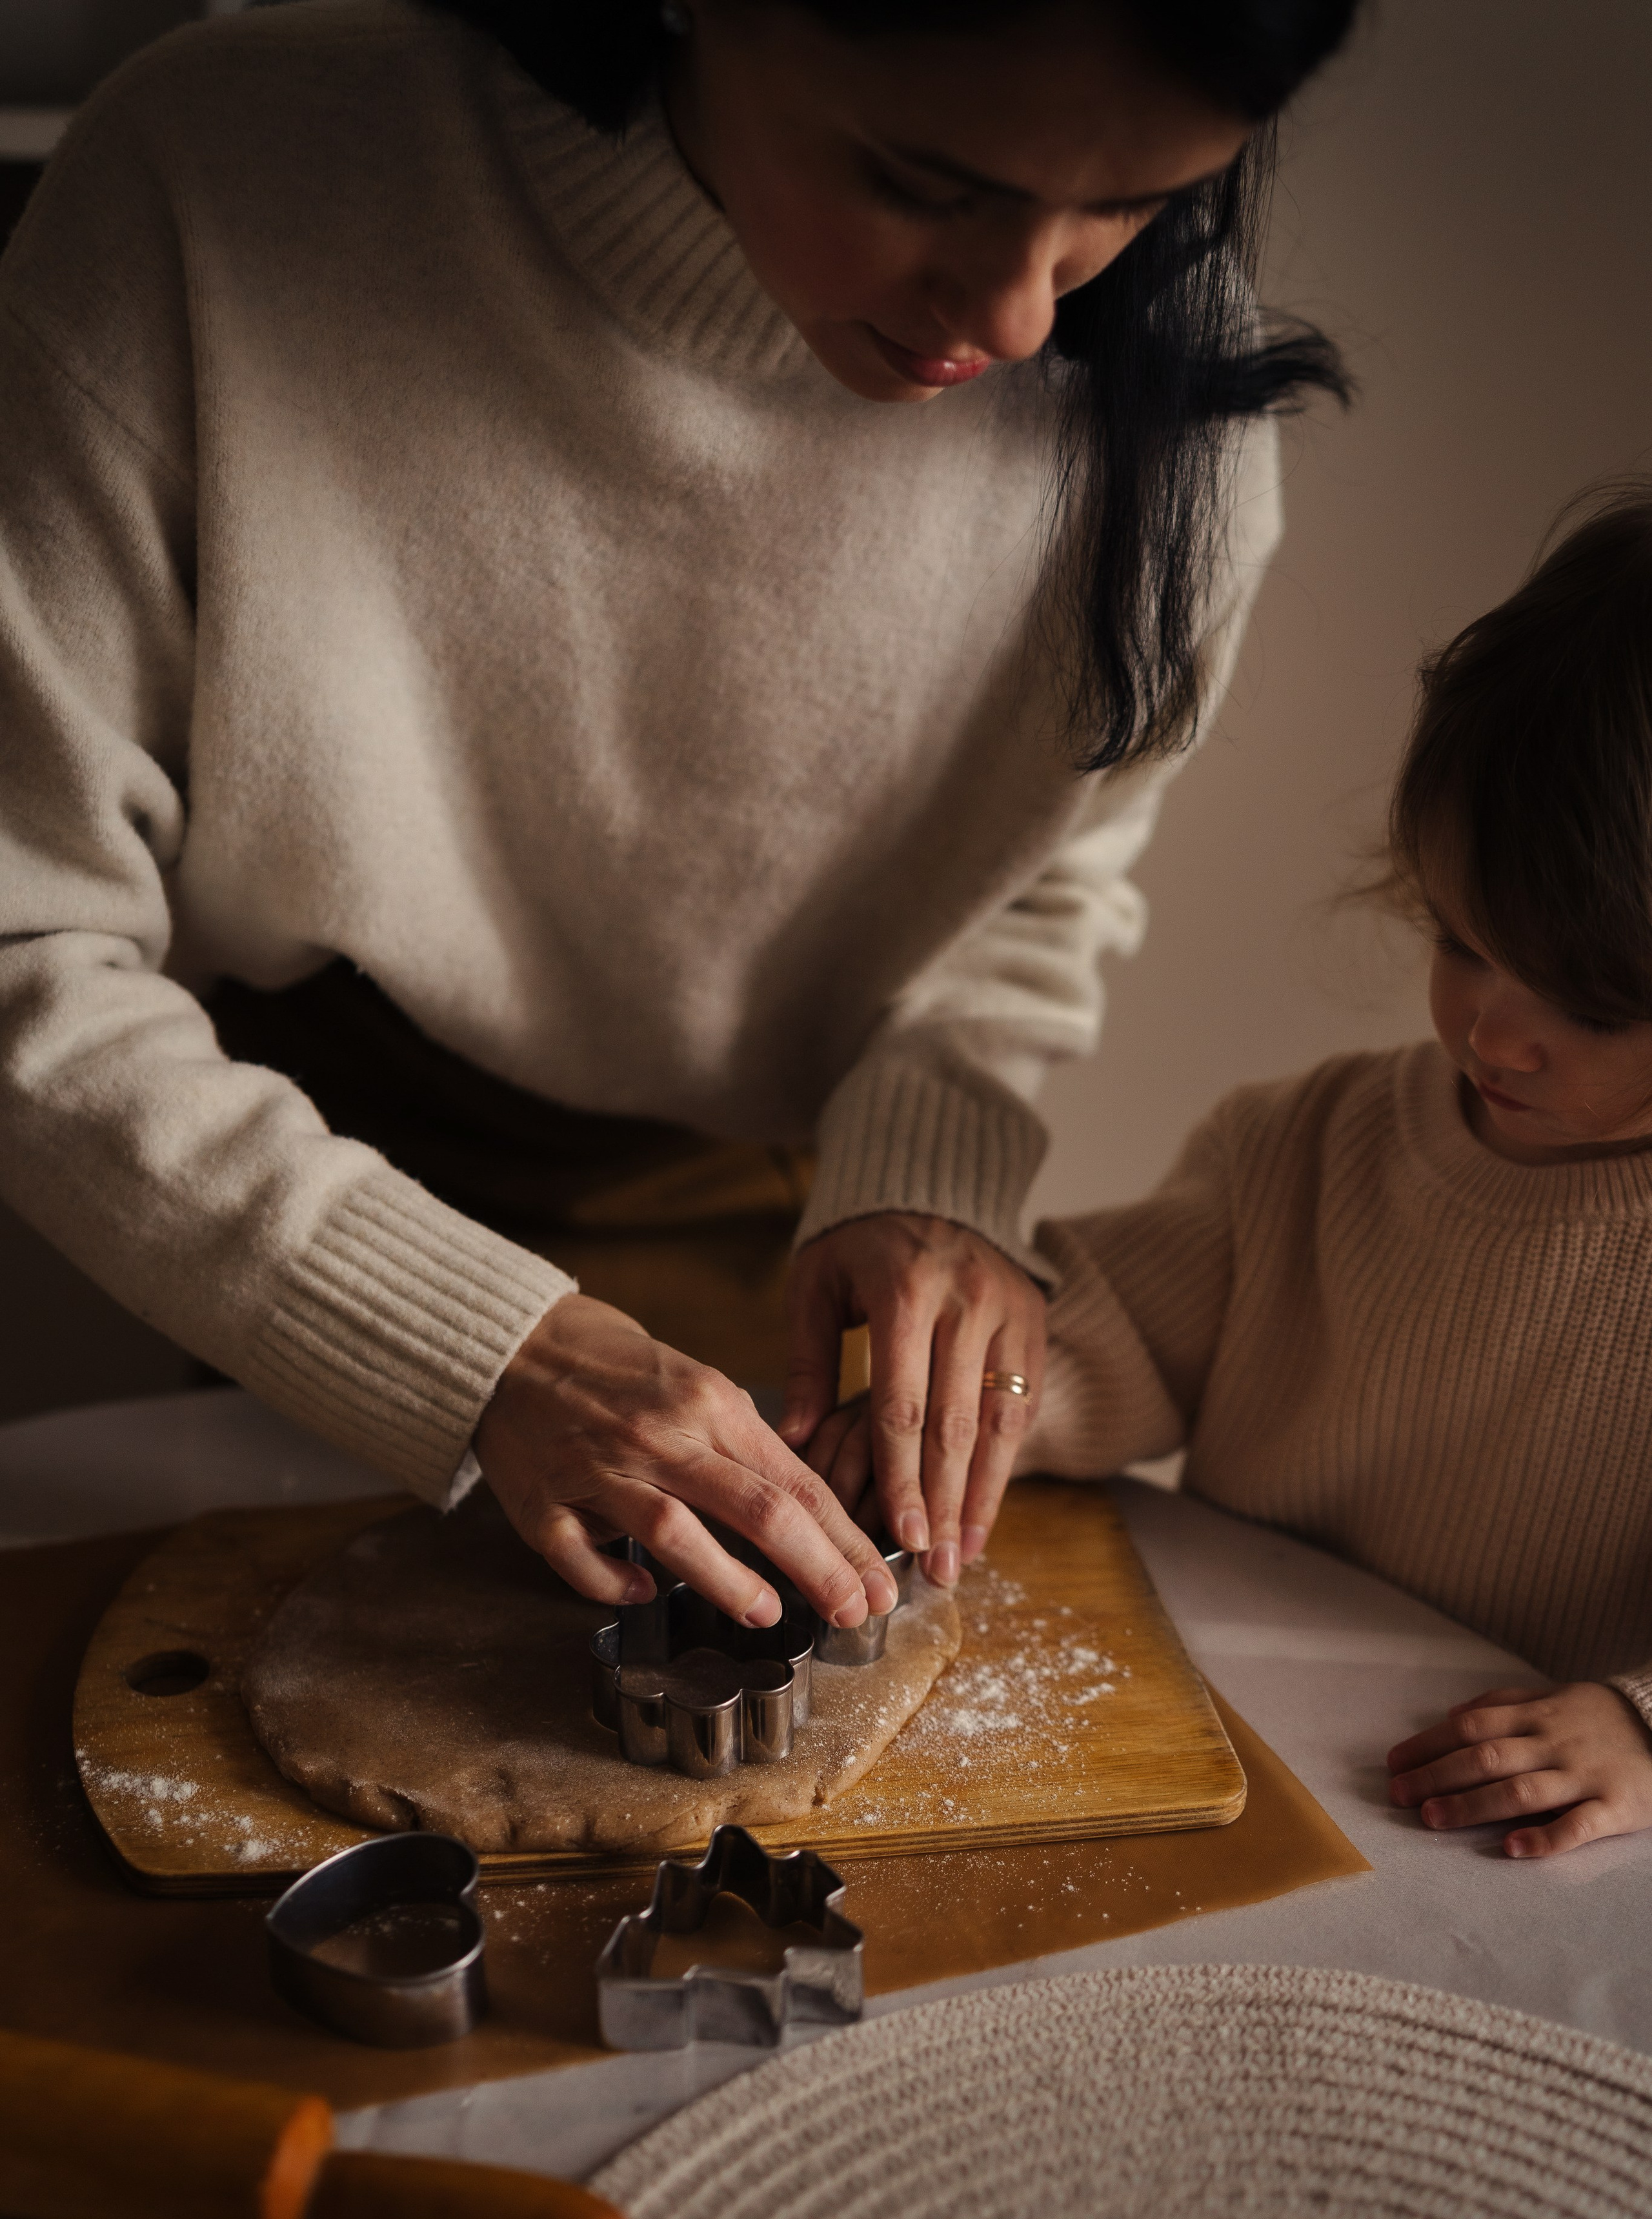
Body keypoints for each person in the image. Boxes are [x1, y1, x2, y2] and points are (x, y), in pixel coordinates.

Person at [0, 0, 1355, 1634]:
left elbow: (1033, 886)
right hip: (295, 1184)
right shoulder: (220, 177)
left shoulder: (1183, 386)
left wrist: (927, 1177)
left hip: (794, 1239)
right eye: (923, 182)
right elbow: (26, 930)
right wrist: (468, 1344)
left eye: (1130, 205)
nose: (1010, 314)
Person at [909, 487, 1652, 1859]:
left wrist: (1641, 1726)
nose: (1490, 1032)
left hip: (1517, 1848)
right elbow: (1092, 1338)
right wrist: (951, 1401)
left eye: (1587, 1009)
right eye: (1461, 943)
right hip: (1241, 1760)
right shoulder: (1305, 1150)